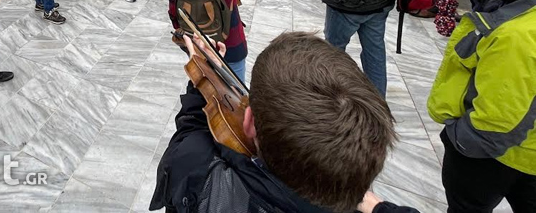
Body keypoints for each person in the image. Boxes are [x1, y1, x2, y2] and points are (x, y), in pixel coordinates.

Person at [150, 31, 419, 213]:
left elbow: (190, 133)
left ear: (250, 122)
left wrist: (203, 78)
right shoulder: (350, 191)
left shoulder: (203, 172)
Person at [427, 0, 536, 213]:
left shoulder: (513, 37)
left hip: (500, 159)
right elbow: (498, 2)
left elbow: (496, 121)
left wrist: (458, 141)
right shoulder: (524, 2)